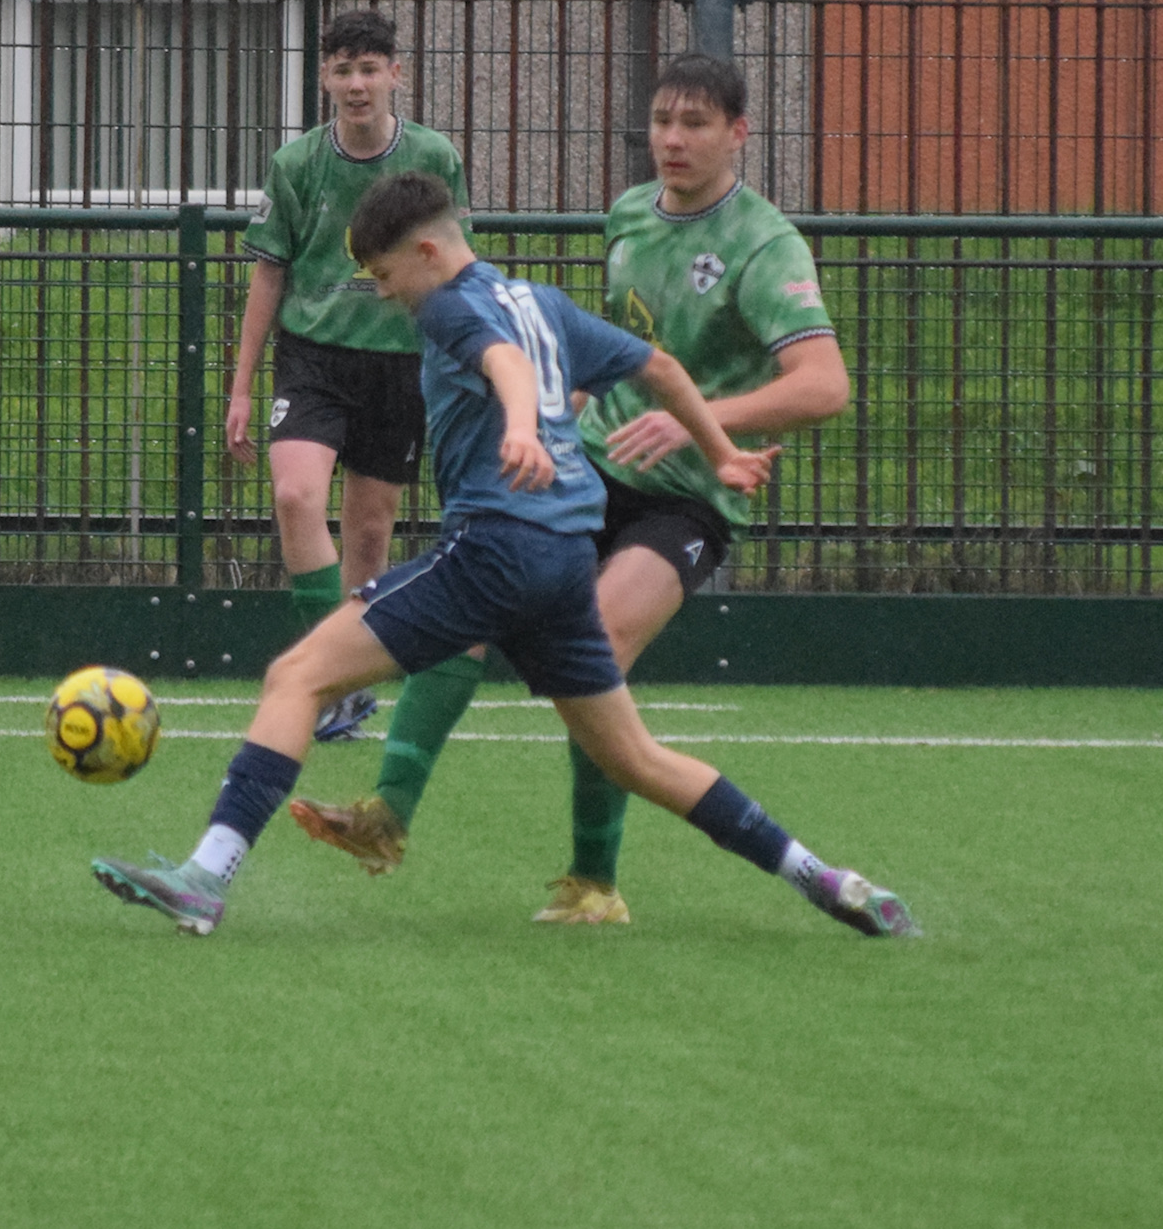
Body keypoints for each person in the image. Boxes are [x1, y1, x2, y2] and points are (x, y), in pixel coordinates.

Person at [91, 171, 914, 940]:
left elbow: (507, 365)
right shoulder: (541, 299)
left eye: (383, 276)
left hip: (497, 548)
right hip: (561, 559)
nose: (384, 296)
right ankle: (823, 876)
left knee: (296, 676)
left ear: (426, 252)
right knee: (631, 756)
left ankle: (206, 876)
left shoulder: (449, 305)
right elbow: (659, 366)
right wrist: (722, 451)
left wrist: (519, 424)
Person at [288, 54, 852, 925]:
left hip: (688, 495)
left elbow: (825, 384)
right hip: (586, 470)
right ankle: (386, 816)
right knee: (460, 616)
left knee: (603, 651)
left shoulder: (765, 243)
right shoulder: (628, 215)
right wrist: (560, 403)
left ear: (738, 134)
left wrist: (705, 424)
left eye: (696, 124)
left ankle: (595, 882)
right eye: (662, 120)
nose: (672, 139)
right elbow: (616, 344)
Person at [228, 9, 467, 740]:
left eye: (370, 69)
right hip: (314, 357)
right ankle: (323, 677)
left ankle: (346, 684)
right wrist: (241, 386)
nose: (356, 84)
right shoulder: (297, 163)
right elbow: (271, 274)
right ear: (324, 78)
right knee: (297, 494)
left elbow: (452, 265)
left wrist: (469, 359)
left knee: (369, 534)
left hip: (400, 362)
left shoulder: (434, 156)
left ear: (397, 74)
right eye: (342, 69)